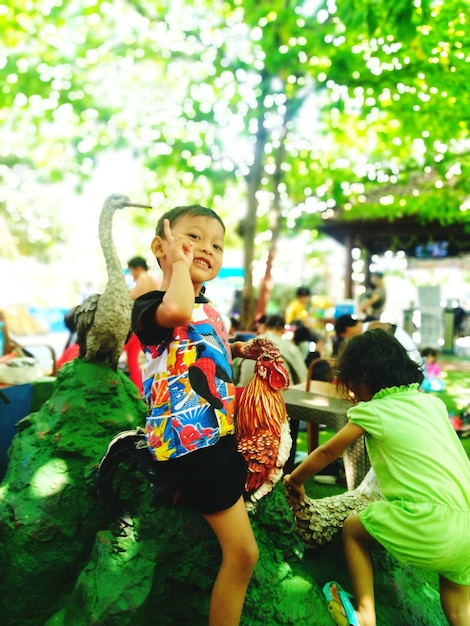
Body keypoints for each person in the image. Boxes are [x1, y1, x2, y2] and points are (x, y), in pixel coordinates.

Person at [284, 328, 470, 626]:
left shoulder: (374, 410)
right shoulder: (432, 404)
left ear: (362, 380)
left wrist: (294, 481)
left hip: (429, 522)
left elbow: (326, 453)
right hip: (467, 526)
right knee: (461, 610)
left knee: (354, 529)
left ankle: (365, 613)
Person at [131, 204, 259, 626]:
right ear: (159, 247)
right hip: (192, 446)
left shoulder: (211, 310)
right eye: (193, 237)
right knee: (243, 554)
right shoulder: (151, 305)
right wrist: (180, 267)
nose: (206, 248)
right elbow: (179, 312)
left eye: (217, 244)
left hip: (213, 437)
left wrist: (235, 349)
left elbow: (200, 345)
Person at [123, 257, 161, 393]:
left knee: (134, 360)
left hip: (139, 326)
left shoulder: (143, 278)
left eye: (131, 271)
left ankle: (139, 391)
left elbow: (133, 297)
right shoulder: (149, 279)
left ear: (138, 268)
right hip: (144, 325)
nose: (131, 275)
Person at [333, 314, 422, 365]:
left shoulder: (372, 333)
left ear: (346, 331)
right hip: (413, 365)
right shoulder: (372, 326)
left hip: (410, 368)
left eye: (344, 338)